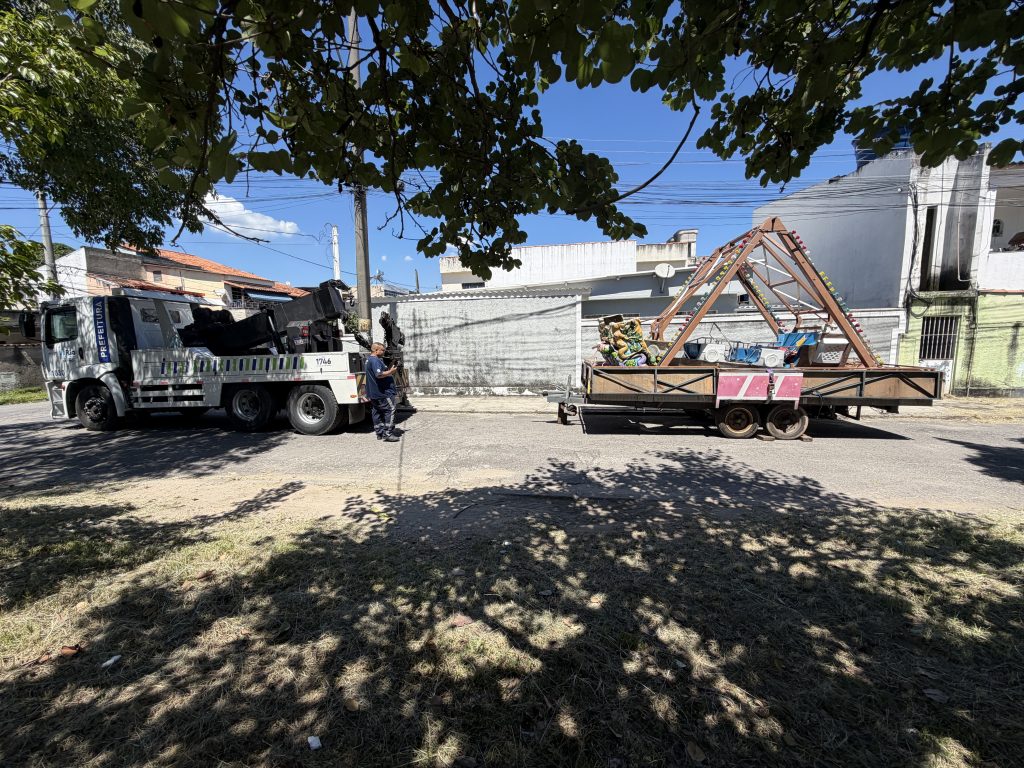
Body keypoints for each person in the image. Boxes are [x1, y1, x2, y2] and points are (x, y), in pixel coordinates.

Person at [365, 342, 400, 442]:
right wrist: (390, 372)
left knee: (377, 411)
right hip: (383, 392)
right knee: (391, 409)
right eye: (382, 350)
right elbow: (379, 374)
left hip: (374, 392)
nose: (384, 352)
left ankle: (379, 432)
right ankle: (388, 433)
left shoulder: (369, 360)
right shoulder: (375, 360)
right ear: (376, 350)